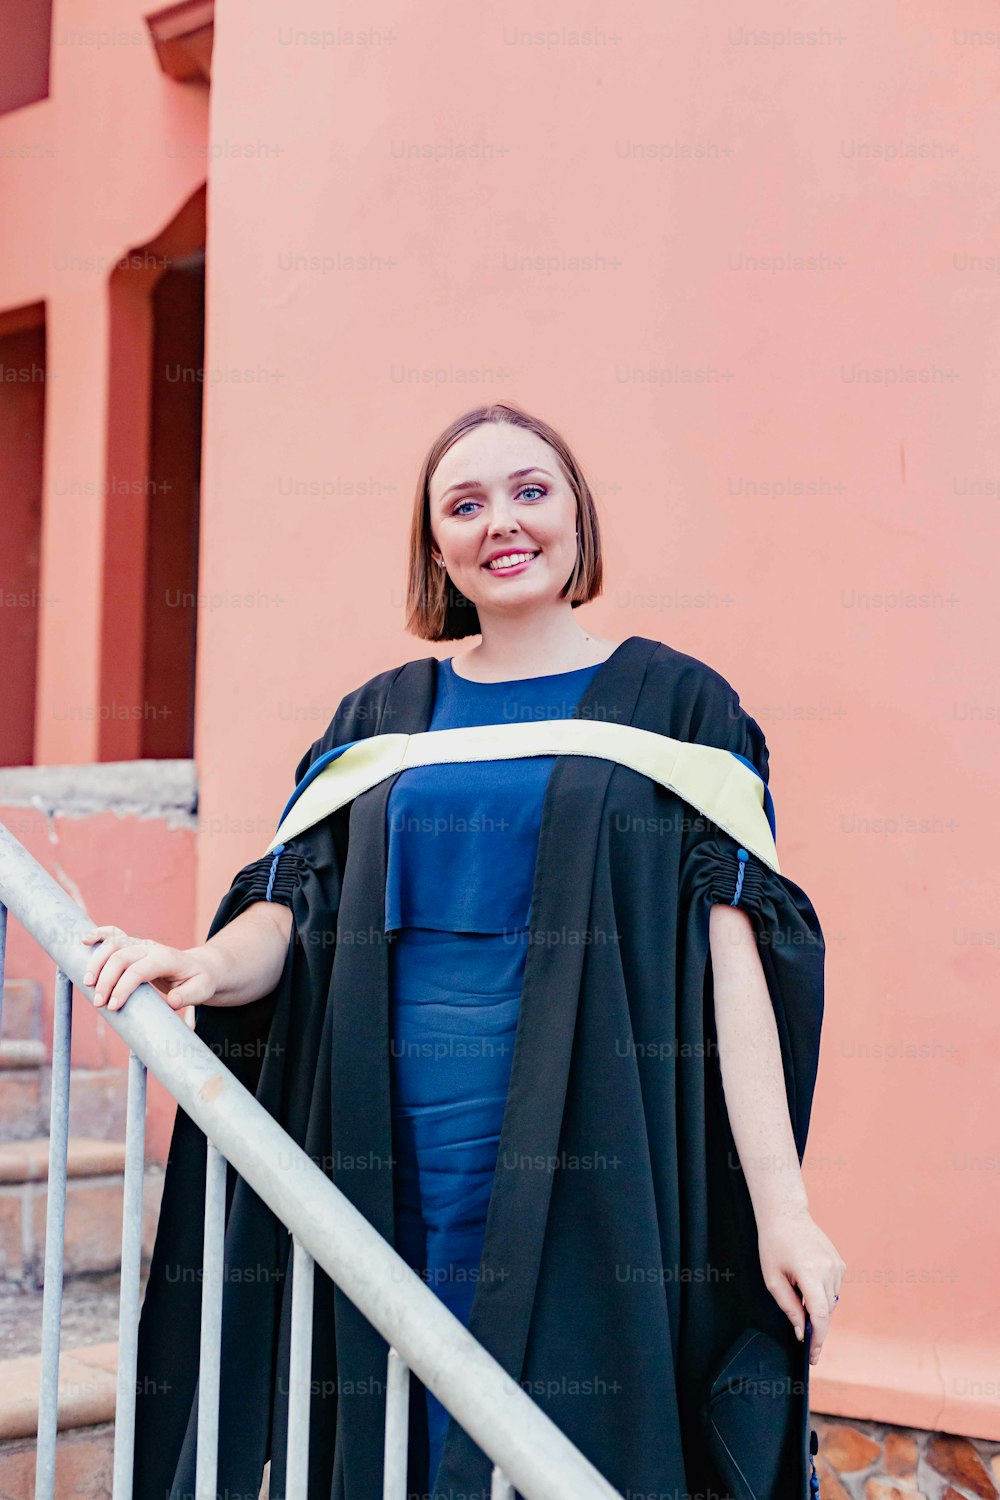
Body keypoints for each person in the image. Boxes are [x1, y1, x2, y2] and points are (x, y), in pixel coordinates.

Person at [82, 401, 844, 1500]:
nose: (503, 522)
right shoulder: (379, 715)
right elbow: (292, 915)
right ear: (435, 546)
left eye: (531, 491)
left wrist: (782, 1207)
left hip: (593, 1141)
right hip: (384, 1144)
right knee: (390, 1416)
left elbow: (736, 958)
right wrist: (199, 966)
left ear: (577, 514)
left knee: (569, 1421)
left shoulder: (677, 704)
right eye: (466, 503)